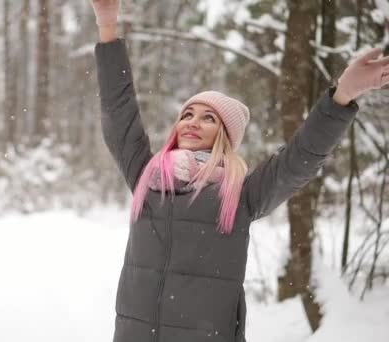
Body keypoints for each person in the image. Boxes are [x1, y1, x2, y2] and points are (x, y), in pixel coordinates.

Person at [88, 1, 389, 341]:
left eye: (208, 117)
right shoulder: (148, 177)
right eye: (187, 114)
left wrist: (343, 95)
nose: (192, 122)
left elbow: (298, 161)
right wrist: (108, 26)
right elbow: (118, 114)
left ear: (225, 136)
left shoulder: (240, 193)